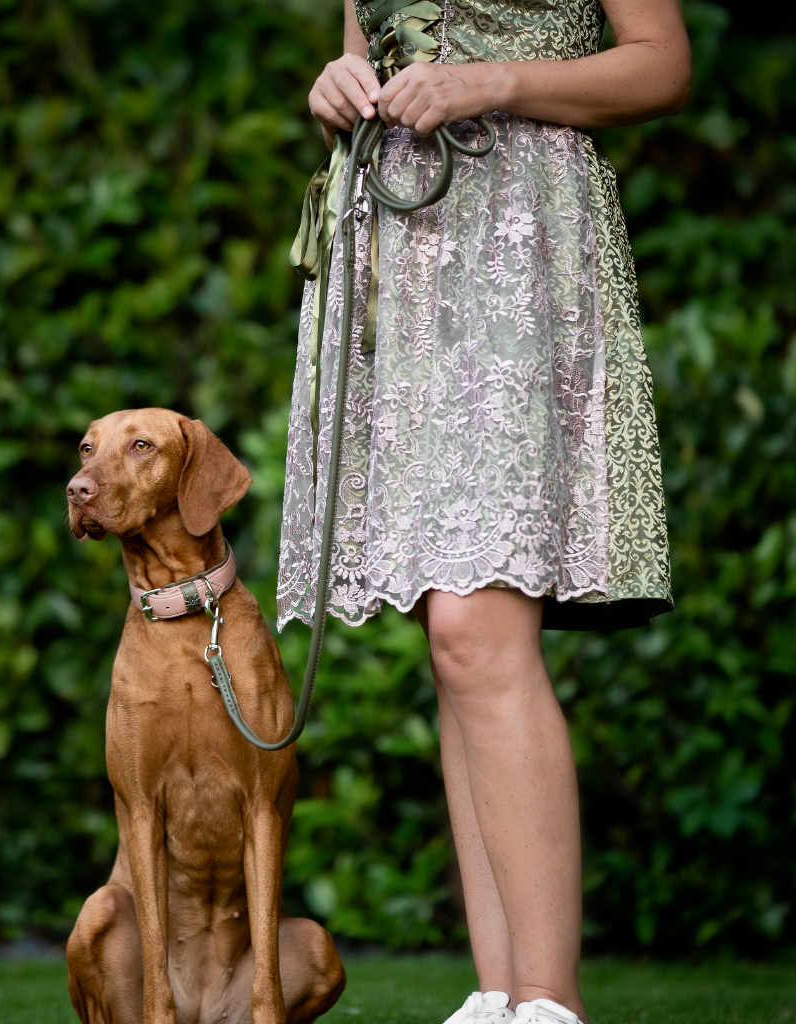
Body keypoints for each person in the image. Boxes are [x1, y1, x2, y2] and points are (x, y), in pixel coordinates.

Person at [277, 1, 691, 1022]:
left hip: (520, 232)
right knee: (451, 632)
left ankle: (550, 1001)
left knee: (477, 621)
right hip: (400, 239)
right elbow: (360, 39)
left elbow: (661, 65)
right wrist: (339, 82)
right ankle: (500, 992)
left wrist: (491, 79)